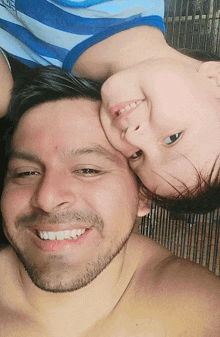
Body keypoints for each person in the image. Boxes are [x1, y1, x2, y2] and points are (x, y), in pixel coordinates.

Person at [0, 66, 220, 336]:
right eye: (26, 173)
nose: (47, 198)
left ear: (143, 195)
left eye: (88, 170)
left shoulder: (200, 314)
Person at [0, 0, 220, 211]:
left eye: (137, 155)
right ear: (215, 79)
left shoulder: (65, 84)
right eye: (172, 138)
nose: (132, 138)